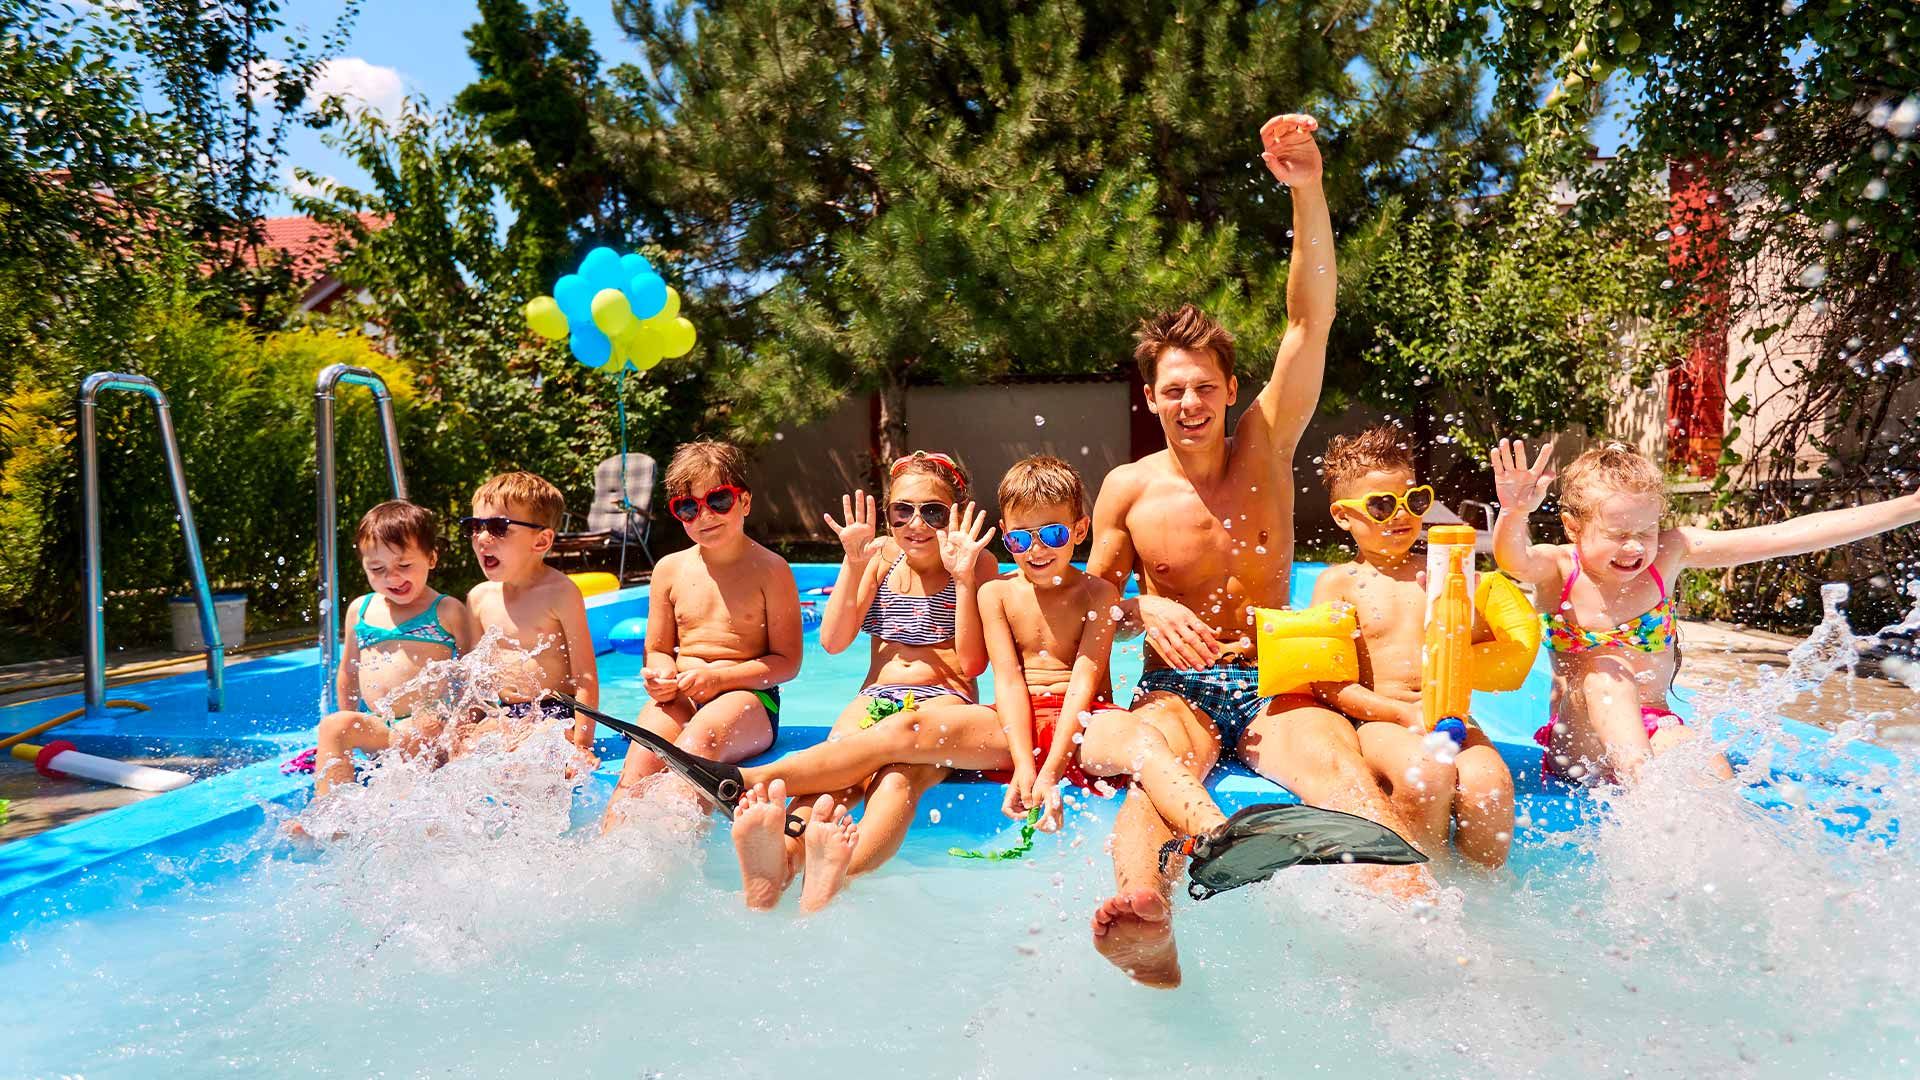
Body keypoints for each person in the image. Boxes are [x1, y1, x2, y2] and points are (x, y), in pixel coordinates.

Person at [1083, 113, 1433, 989]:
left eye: (1205, 386)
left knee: (1340, 772)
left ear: (1233, 389)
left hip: (1276, 677)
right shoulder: (1128, 489)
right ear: (1152, 399)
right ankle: (1145, 916)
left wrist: (1307, 189)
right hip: (1177, 687)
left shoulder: (1268, 444)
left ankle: (1419, 922)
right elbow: (1086, 604)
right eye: (1174, 390)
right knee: (1151, 777)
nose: (1191, 402)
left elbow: (1308, 320)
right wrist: (1141, 605)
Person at [724, 456, 1239, 914]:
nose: (1037, 550)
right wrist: (1023, 763)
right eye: (1021, 538)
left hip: (1085, 721)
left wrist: (1049, 769)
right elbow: (1008, 683)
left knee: (1144, 742)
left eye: (1054, 535)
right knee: (906, 730)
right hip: (1007, 721)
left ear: (1080, 530)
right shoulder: (996, 593)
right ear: (1008, 536)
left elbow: (1084, 682)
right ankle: (747, 783)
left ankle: (1219, 832)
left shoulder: (1097, 592)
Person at [1491, 438, 1920, 785]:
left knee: (1709, 767)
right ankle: (1648, 796)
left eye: (1646, 531)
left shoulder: (1671, 553)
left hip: (1654, 727)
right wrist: (1513, 513)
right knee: (1606, 668)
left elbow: (1784, 536)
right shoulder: (1558, 567)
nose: (1636, 547)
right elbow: (1514, 560)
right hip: (1579, 746)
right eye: (1618, 534)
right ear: (1573, 526)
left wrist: (1911, 506)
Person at [729, 450, 998, 912]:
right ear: (889, 513)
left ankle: (839, 874)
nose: (917, 524)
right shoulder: (879, 559)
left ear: (954, 513)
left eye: (932, 511)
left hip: (944, 702)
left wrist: (965, 578)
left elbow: (973, 664)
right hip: (877, 694)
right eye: (902, 511)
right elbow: (832, 641)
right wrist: (852, 562)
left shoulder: (978, 566)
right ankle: (781, 865)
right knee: (833, 778)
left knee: (897, 782)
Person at [1306, 425, 1514, 866]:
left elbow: (1480, 652)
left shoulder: (1442, 571)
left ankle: (1484, 899)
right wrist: (1405, 714)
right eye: (1381, 505)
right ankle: (1425, 885)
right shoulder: (1339, 583)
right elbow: (1329, 685)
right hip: (1383, 720)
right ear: (1343, 516)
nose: (1400, 515)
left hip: (1453, 716)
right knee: (1427, 776)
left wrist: (1474, 605)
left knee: (1489, 786)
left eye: (1414, 500)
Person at [602, 440, 802, 830]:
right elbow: (658, 649)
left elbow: (787, 662)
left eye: (718, 501)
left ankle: (675, 858)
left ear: (744, 502)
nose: (705, 516)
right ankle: (606, 855)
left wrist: (719, 678)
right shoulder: (669, 570)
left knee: (699, 746)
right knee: (641, 760)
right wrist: (659, 675)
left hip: (749, 697)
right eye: (689, 508)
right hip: (682, 692)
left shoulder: (771, 570)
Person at [312, 500, 477, 797]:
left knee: (422, 728)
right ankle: (329, 814)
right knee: (333, 726)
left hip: (429, 729)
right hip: (383, 729)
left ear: (431, 558)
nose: (392, 577)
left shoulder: (446, 610)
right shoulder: (359, 610)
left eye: (404, 565)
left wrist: (462, 728)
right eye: (377, 568)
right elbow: (348, 674)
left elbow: (473, 673)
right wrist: (345, 744)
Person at [462, 471, 600, 752]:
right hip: (506, 713)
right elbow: (475, 679)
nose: (482, 538)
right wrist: (468, 728)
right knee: (460, 751)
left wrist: (582, 746)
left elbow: (585, 676)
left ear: (541, 541)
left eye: (499, 527)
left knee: (534, 747)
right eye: (475, 526)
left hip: (555, 713)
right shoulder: (478, 599)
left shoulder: (560, 593)